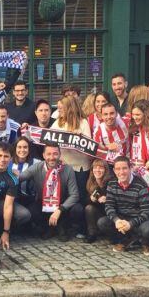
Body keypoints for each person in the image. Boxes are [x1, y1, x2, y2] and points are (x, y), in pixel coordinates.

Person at [19, 144, 82, 242]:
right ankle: (49, 227)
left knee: (77, 209)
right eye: (48, 154)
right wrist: (10, 174)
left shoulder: (68, 169)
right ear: (43, 155)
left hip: (62, 205)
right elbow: (20, 177)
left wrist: (59, 209)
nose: (52, 157)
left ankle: (62, 227)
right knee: (31, 211)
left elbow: (74, 195)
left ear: (60, 154)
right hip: (44, 203)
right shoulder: (37, 167)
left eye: (55, 154)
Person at [98, 156, 149, 255]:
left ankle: (144, 242)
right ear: (114, 170)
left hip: (138, 219)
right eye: (118, 169)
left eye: (124, 168)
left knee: (148, 228)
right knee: (102, 222)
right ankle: (127, 239)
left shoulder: (140, 185)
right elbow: (109, 206)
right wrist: (117, 220)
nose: (121, 172)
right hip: (122, 217)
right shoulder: (112, 184)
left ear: (130, 168)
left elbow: (146, 211)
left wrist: (131, 224)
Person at [51, 96, 92, 234]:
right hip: (63, 167)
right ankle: (63, 226)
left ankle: (80, 228)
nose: (59, 110)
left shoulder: (83, 123)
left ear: (69, 108)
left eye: (61, 108)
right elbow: (48, 138)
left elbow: (90, 147)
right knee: (63, 196)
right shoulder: (58, 123)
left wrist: (80, 137)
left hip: (80, 167)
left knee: (78, 197)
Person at [84, 159, 113, 243]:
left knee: (102, 222)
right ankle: (92, 233)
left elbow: (116, 200)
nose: (97, 170)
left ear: (105, 170)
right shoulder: (91, 182)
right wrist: (91, 199)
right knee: (89, 208)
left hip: (109, 213)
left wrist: (107, 198)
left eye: (101, 168)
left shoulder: (110, 181)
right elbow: (85, 201)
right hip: (99, 212)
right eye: (95, 168)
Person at [11, 136, 38, 206]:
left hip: (29, 200)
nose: (22, 150)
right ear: (15, 149)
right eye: (19, 147)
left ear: (29, 149)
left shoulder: (37, 163)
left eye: (25, 147)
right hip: (11, 198)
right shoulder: (8, 162)